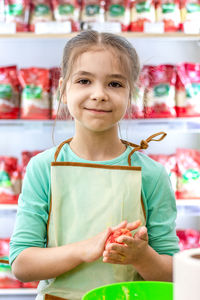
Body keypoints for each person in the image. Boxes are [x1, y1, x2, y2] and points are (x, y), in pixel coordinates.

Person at [9, 30, 179, 300]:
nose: (99, 94)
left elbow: (175, 276)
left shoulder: (152, 174)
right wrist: (82, 249)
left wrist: (142, 256)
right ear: (64, 90)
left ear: (131, 93)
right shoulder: (43, 167)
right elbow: (21, 264)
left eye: (115, 84)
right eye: (85, 80)